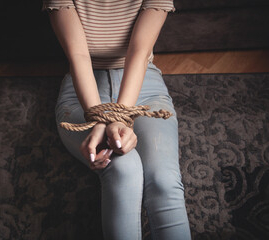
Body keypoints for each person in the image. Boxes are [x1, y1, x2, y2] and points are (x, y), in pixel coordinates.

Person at [43, 0, 191, 239]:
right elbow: (79, 55)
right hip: (84, 92)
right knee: (123, 168)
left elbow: (139, 52)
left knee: (163, 179)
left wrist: (119, 117)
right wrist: (100, 118)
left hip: (145, 86)